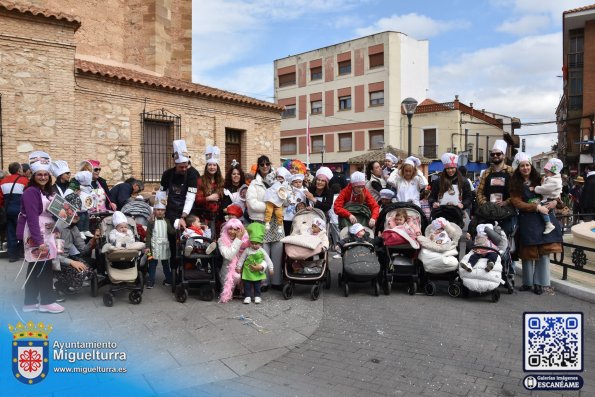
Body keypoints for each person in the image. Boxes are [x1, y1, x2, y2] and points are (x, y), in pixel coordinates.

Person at [16, 151, 64, 314]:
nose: (43, 177)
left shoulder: (47, 192)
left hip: (47, 233)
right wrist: (38, 242)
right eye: (39, 174)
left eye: (45, 174)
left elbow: (51, 215)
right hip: (36, 234)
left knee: (35, 268)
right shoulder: (31, 192)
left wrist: (58, 225)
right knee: (44, 268)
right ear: (33, 175)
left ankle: (29, 303)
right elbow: (31, 218)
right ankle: (46, 302)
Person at [509, 152, 562, 295]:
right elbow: (516, 202)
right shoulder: (515, 183)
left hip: (543, 219)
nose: (525, 168)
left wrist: (555, 202)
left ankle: (540, 283)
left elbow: (555, 193)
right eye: (522, 166)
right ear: (518, 168)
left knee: (543, 251)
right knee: (528, 252)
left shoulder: (541, 179)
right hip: (527, 220)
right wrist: (535, 207)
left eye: (527, 165)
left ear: (531, 166)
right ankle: (527, 282)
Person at [159, 140, 200, 276]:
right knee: (172, 240)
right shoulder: (167, 174)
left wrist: (183, 216)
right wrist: (159, 209)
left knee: (189, 239)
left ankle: (190, 269)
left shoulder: (193, 173)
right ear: (175, 164)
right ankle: (174, 271)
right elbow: (162, 193)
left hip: (187, 210)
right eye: (181, 167)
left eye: (186, 166)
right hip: (171, 210)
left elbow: (190, 197)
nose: (184, 169)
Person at [246, 155, 284, 289]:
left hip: (276, 223)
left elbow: (284, 196)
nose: (265, 166)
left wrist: (280, 204)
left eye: (267, 163)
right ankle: (264, 282)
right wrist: (269, 208)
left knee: (278, 252)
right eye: (262, 164)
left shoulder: (278, 180)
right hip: (262, 222)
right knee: (263, 253)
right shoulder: (254, 184)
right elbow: (251, 204)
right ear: (258, 166)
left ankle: (277, 281)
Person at [54, 203, 97, 296]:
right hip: (56, 261)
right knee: (81, 273)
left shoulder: (74, 228)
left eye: (77, 213)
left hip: (67, 257)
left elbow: (83, 250)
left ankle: (66, 284)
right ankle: (59, 286)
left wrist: (94, 239)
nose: (76, 215)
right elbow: (56, 256)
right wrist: (72, 262)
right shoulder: (59, 227)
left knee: (90, 270)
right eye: (71, 212)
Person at [474, 140, 515, 232]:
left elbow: (516, 192)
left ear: (503, 155)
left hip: (506, 212)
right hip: (488, 212)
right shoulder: (486, 172)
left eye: (498, 154)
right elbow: (479, 191)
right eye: (492, 154)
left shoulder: (511, 171)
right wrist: (485, 204)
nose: (495, 156)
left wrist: (506, 202)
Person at [428, 153, 472, 227]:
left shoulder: (464, 181)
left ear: (456, 168)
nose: (450, 170)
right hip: (440, 213)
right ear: (445, 169)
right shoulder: (438, 181)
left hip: (457, 214)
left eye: (452, 168)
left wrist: (463, 205)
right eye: (448, 168)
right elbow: (432, 197)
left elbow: (468, 197)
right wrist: (434, 203)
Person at [236, 222, 273, 304]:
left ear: (260, 243)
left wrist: (271, 268)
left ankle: (257, 296)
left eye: (256, 243)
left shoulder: (262, 251)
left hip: (257, 272)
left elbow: (268, 260)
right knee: (247, 285)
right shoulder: (247, 250)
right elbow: (242, 259)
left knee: (257, 285)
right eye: (252, 243)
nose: (254, 245)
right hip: (248, 271)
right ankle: (247, 296)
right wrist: (238, 267)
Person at [145, 191, 175, 288]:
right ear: (154, 211)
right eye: (158, 210)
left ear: (165, 211)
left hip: (164, 246)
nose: (160, 212)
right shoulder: (151, 222)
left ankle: (169, 279)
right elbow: (148, 235)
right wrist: (147, 247)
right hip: (153, 247)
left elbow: (171, 232)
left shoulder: (167, 221)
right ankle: (151, 281)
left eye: (162, 210)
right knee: (152, 264)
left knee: (166, 264)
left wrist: (176, 227)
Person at [0, 162, 28, 262]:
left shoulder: (3, 181)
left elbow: (0, 199)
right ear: (18, 170)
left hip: (7, 211)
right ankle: (24, 253)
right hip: (20, 211)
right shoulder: (24, 180)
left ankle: (13, 256)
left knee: (10, 233)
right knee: (23, 232)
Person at [194, 145, 225, 234]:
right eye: (210, 165)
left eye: (214, 165)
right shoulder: (200, 181)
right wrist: (209, 198)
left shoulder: (221, 181)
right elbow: (197, 199)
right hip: (205, 218)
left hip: (219, 219)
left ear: (217, 167)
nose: (212, 167)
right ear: (206, 167)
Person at [218, 218, 250, 302]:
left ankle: (245, 290)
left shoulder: (246, 240)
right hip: (228, 272)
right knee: (237, 276)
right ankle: (232, 291)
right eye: (230, 229)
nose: (232, 231)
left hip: (242, 268)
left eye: (235, 229)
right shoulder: (221, 240)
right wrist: (238, 240)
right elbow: (229, 255)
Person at [534, 158, 563, 234]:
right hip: (546, 200)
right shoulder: (549, 178)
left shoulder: (553, 180)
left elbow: (546, 189)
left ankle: (548, 224)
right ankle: (549, 224)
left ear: (553, 172)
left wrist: (536, 188)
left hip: (548, 200)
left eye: (547, 171)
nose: (545, 173)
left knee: (544, 209)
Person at [263, 167, 291, 233]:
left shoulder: (287, 185)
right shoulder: (274, 182)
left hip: (280, 202)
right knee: (268, 211)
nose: (280, 178)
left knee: (279, 214)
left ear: (284, 178)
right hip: (271, 200)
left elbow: (289, 194)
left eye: (281, 177)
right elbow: (267, 178)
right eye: (278, 177)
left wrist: (288, 198)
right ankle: (267, 222)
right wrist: (274, 172)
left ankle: (280, 226)